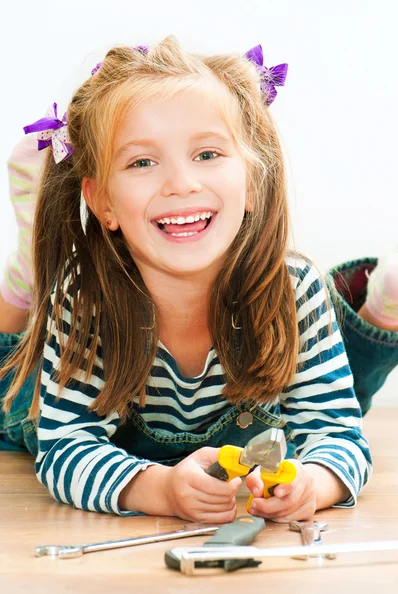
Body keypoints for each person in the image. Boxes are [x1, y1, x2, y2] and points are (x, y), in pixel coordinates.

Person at [0, 37, 393, 524]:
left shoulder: (294, 289)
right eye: (142, 162)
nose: (181, 182)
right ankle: (26, 276)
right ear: (104, 203)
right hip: (39, 394)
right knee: (13, 399)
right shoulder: (86, 301)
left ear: (251, 182)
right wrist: (160, 488)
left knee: (350, 384)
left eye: (207, 154)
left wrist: (311, 483)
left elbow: (339, 433)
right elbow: (63, 449)